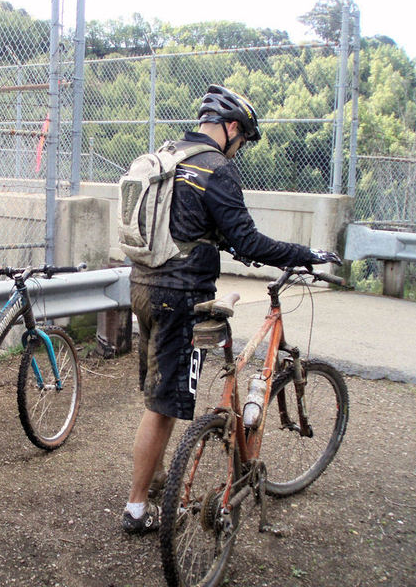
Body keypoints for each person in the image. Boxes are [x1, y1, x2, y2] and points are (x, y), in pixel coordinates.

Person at [122, 85, 341, 534]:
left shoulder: (168, 156)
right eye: (241, 140)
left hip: (142, 285)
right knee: (162, 406)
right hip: (181, 296)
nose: (238, 149)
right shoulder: (215, 168)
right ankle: (137, 509)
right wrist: (307, 254)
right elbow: (250, 241)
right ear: (232, 129)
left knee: (154, 394)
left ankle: (158, 478)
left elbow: (192, 225)